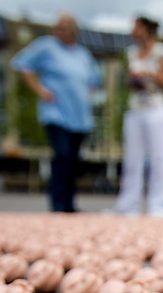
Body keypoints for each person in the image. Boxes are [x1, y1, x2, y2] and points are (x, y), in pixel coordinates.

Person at [12, 14, 101, 213]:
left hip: (80, 117)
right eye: (57, 27)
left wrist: (85, 95)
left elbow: (95, 79)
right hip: (56, 114)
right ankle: (58, 204)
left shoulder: (82, 54)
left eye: (63, 28)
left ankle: (69, 204)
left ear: (74, 31)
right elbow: (23, 65)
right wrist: (40, 90)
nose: (58, 31)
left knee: (73, 160)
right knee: (62, 155)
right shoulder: (46, 46)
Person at [114, 16, 163, 217]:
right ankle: (127, 205)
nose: (132, 30)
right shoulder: (130, 53)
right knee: (132, 159)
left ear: (146, 29)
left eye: (136, 26)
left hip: (156, 109)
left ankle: (160, 207)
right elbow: (128, 83)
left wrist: (148, 74)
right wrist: (133, 79)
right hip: (135, 109)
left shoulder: (162, 51)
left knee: (159, 158)